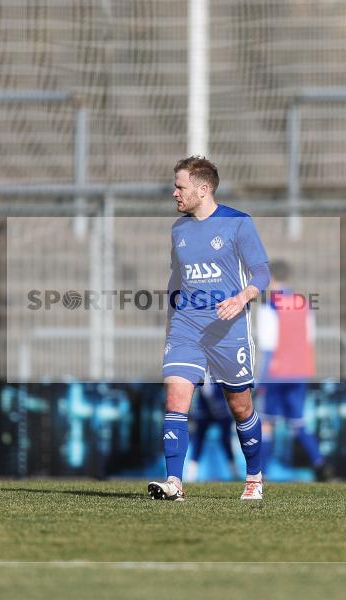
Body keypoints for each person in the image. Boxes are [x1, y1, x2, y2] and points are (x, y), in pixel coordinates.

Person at [148, 156, 270, 501]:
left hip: (227, 329)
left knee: (240, 408)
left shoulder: (238, 224)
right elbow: (177, 275)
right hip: (187, 328)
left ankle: (254, 478)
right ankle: (174, 483)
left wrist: (242, 296)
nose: (174, 193)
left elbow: (261, 272)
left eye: (180, 186)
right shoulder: (179, 230)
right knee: (175, 400)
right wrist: (172, 311)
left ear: (203, 190)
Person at [256, 260, 330, 481]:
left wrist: (261, 380)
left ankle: (262, 473)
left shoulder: (270, 306)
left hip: (277, 372)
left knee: (268, 423)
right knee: (298, 422)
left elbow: (268, 345)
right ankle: (320, 463)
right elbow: (310, 338)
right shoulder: (303, 303)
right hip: (300, 370)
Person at [185, 377, 237, 482]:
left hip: (221, 409)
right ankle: (191, 474)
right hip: (205, 410)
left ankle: (234, 472)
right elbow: (205, 390)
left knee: (226, 441)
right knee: (198, 440)